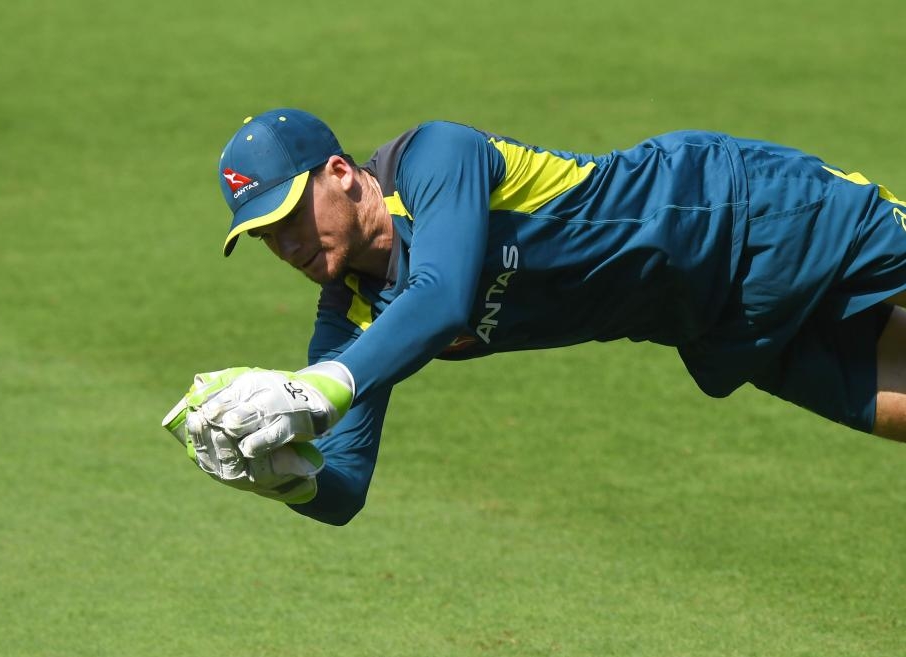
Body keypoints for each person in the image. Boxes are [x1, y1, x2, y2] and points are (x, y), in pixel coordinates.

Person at [163, 108, 906, 526]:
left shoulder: (435, 157)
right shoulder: (352, 319)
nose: (285, 244)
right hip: (718, 322)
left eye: (290, 215)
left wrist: (318, 386)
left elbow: (443, 294)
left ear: (338, 173)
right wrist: (286, 477)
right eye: (264, 235)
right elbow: (347, 485)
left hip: (745, 209)